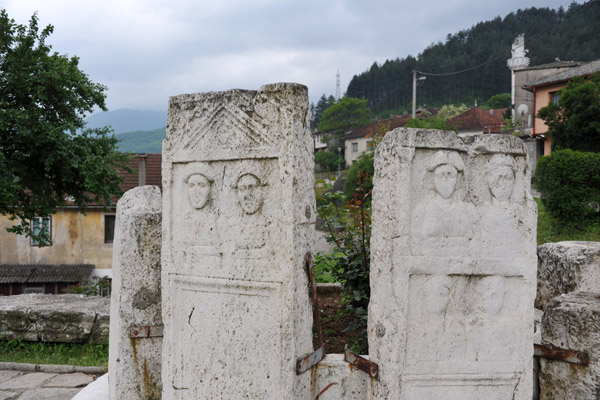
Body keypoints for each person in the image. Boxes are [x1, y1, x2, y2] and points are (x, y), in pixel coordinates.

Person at [411, 151, 475, 258]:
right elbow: (415, 248)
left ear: (458, 179)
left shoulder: (469, 210)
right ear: (432, 179)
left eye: (450, 175)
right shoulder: (422, 210)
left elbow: (476, 248)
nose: (445, 180)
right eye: (440, 175)